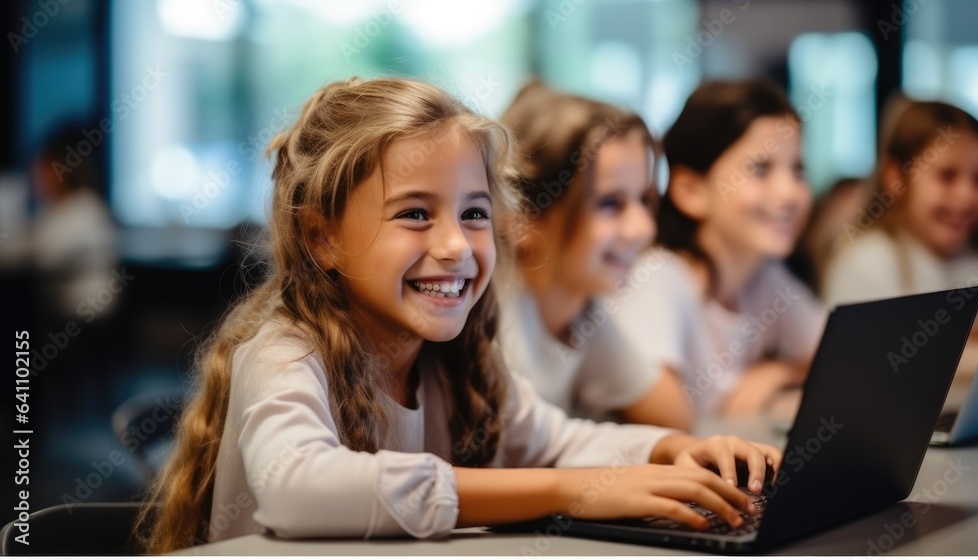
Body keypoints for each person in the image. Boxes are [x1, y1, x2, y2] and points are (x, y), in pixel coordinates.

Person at [137, 77, 781, 553]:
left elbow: (558, 440)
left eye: (474, 213)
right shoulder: (285, 352)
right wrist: (566, 491)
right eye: (415, 213)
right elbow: (298, 485)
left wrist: (680, 451)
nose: (455, 245)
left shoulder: (456, 358)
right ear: (321, 238)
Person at [611, 79, 826, 425]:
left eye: (798, 170)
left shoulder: (765, 278)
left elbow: (844, 359)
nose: (789, 193)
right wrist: (755, 387)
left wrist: (774, 375)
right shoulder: (659, 278)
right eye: (761, 169)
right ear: (690, 190)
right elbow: (670, 423)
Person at [496, 81, 689, 428]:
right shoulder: (491, 316)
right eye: (610, 203)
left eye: (643, 200)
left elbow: (674, 418)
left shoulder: (581, 311)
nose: (643, 228)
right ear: (521, 215)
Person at [823, 101, 978, 373]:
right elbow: (877, 361)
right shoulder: (867, 261)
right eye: (947, 176)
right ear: (895, 178)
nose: (966, 197)